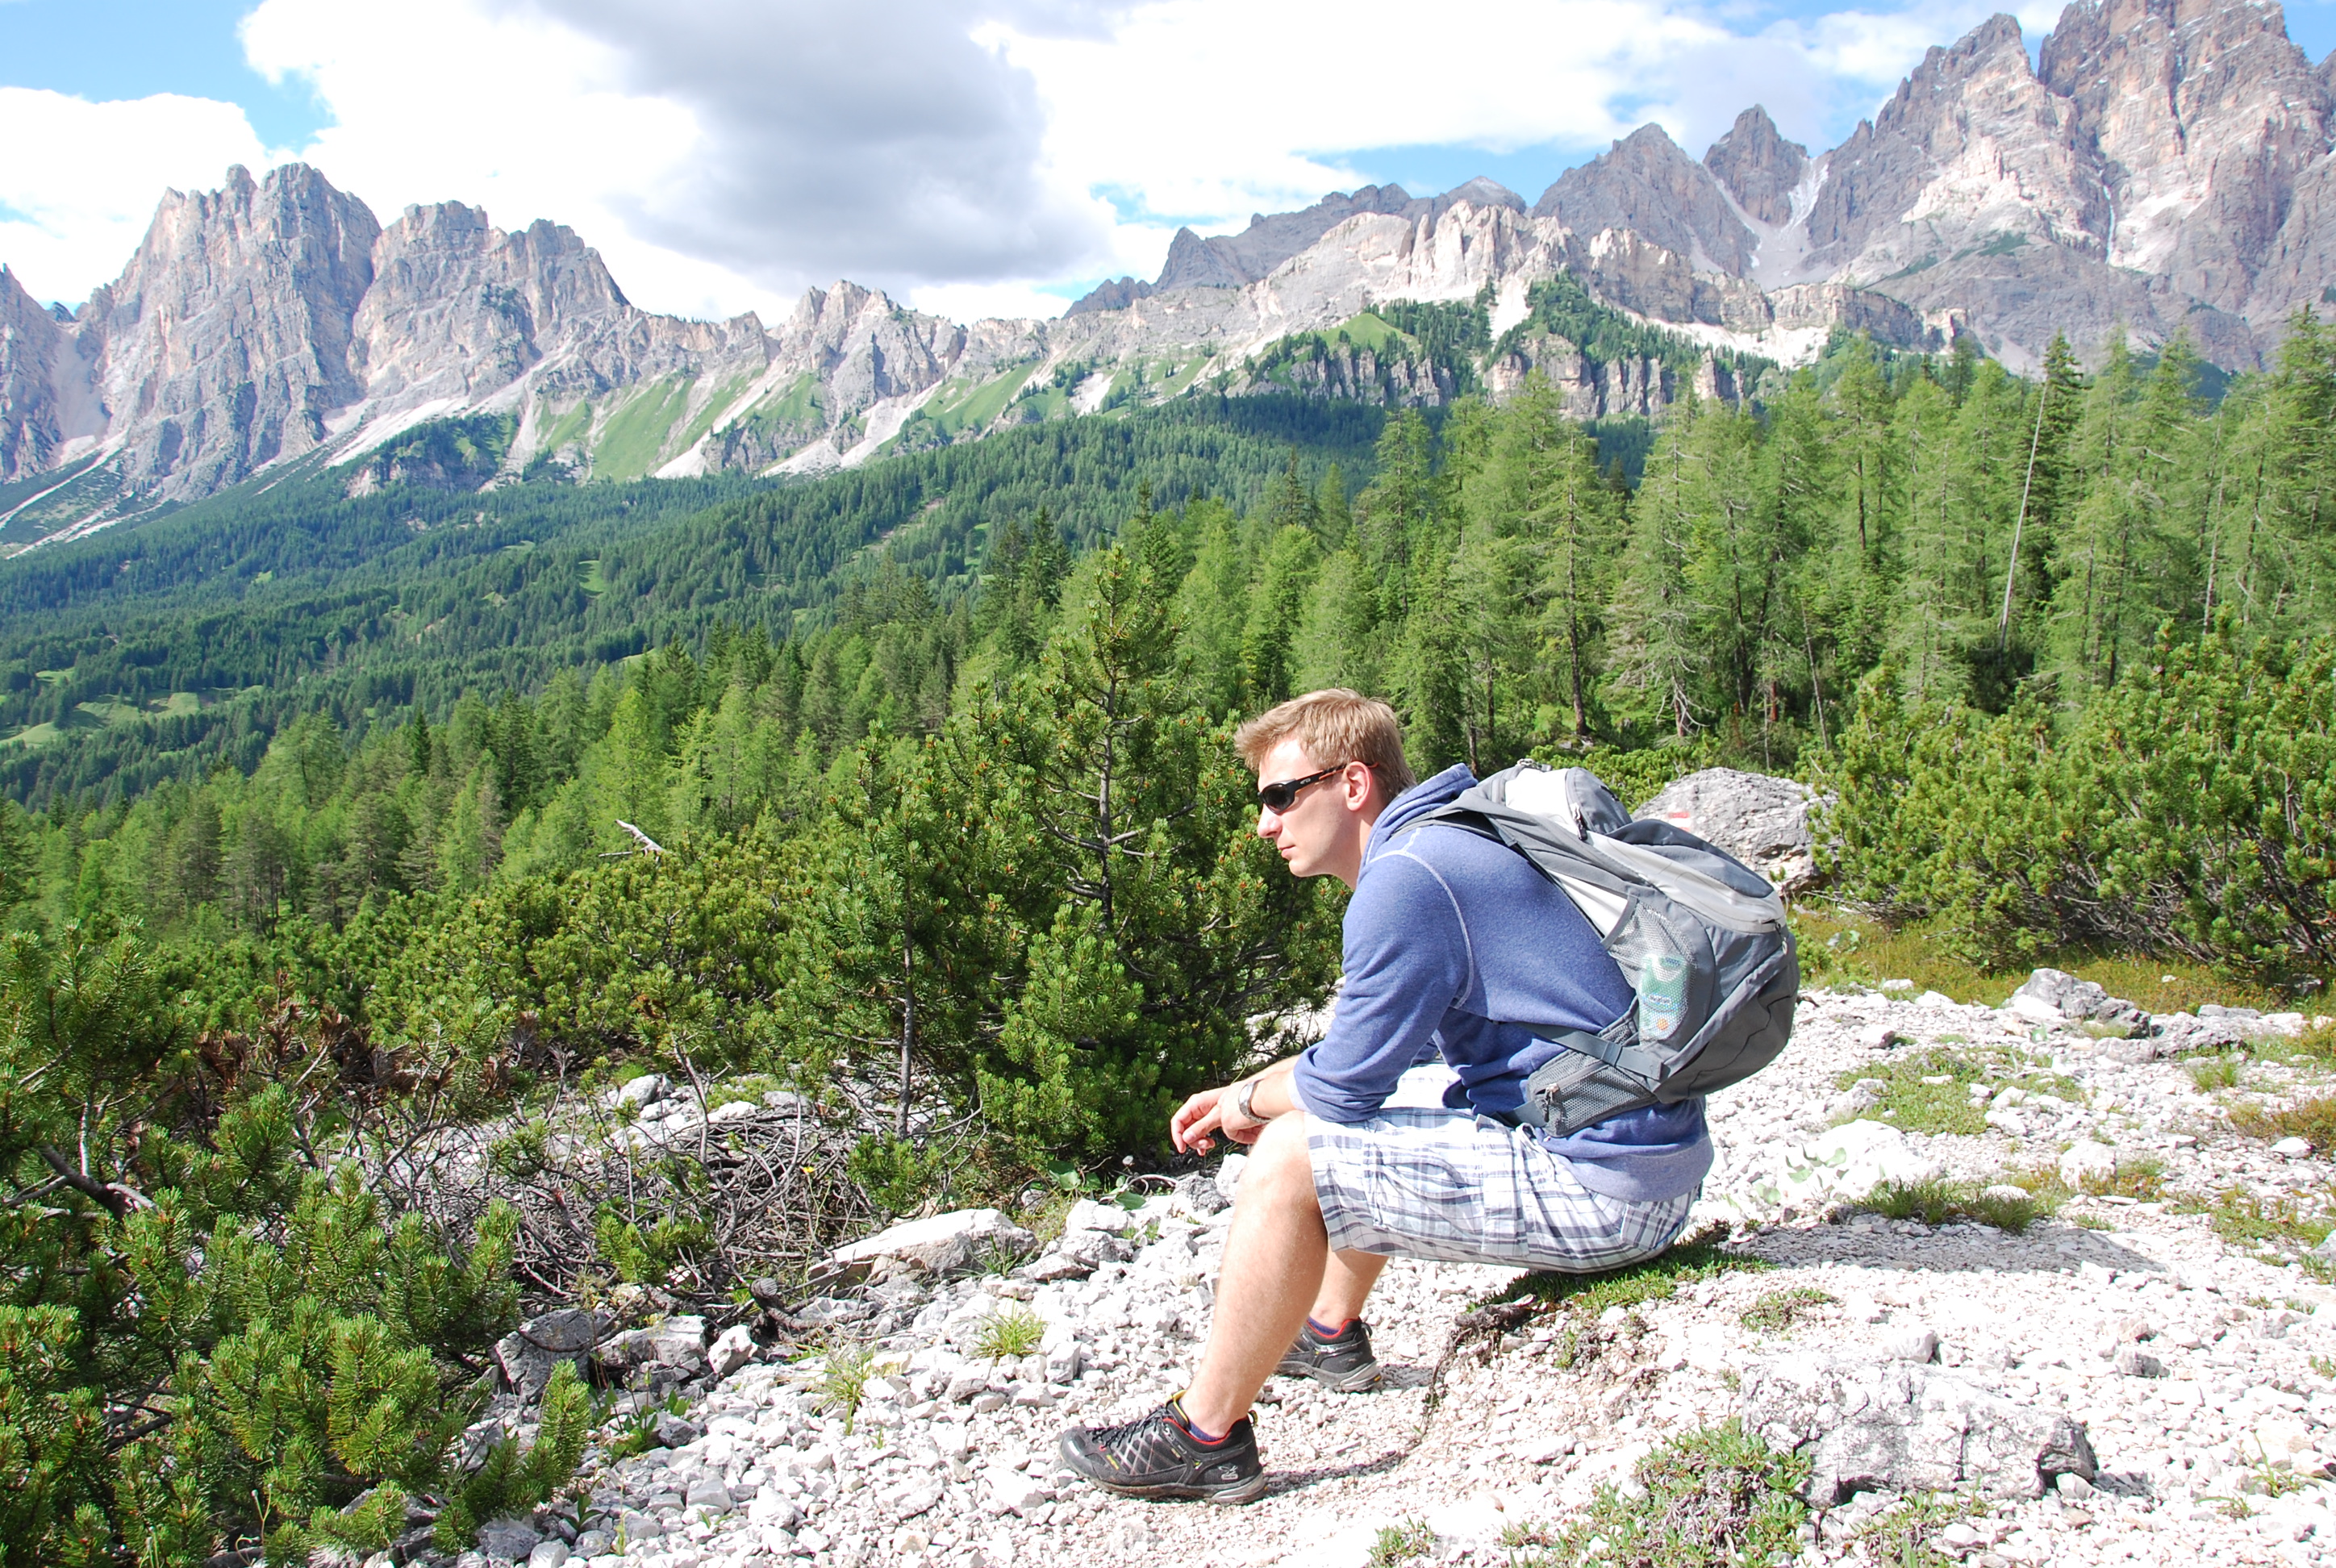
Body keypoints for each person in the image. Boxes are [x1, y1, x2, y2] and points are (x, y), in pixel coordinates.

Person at [1056, 689, 1712, 1503]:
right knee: (1370, 1105)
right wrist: (1256, 1088)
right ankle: (1326, 1330)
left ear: (1353, 784)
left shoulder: (1406, 880)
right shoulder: (1448, 839)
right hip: (1644, 1158)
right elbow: (1386, 1059)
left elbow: (1341, 1086)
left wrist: (1247, 1106)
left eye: (1280, 796)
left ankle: (1203, 1438)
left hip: (1610, 1194)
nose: (1264, 824)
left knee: (1293, 1151)